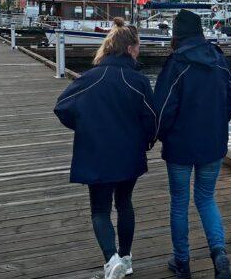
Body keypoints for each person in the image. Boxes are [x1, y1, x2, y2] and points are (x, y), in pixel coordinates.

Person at [54, 18, 156, 279]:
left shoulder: (91, 78)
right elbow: (152, 118)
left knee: (100, 209)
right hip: (129, 153)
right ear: (130, 48)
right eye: (139, 46)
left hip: (96, 152)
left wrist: (85, 127)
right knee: (124, 203)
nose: (140, 50)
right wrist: (147, 141)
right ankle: (126, 257)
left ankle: (111, 259)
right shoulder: (138, 81)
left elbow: (62, 106)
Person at [155, 10, 231, 279]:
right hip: (213, 144)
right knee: (205, 198)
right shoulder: (220, 60)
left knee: (179, 202)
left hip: (180, 145)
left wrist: (158, 135)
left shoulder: (177, 63)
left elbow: (163, 108)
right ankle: (219, 252)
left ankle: (182, 262)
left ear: (177, 35)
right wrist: (216, 125)